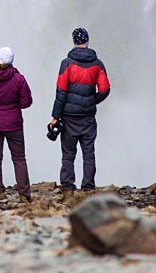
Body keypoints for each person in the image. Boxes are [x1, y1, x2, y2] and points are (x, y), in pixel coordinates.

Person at [49, 27, 110, 193]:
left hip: (69, 117)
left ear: (74, 42)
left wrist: (55, 116)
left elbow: (61, 92)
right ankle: (88, 186)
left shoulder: (66, 64)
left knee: (68, 153)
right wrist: (91, 100)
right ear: (87, 41)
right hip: (88, 117)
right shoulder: (98, 64)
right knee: (88, 152)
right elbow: (105, 90)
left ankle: (68, 185)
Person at [0, 46, 33, 202]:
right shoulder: (19, 79)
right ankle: (24, 193)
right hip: (14, 123)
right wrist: (13, 107)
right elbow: (26, 101)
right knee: (19, 158)